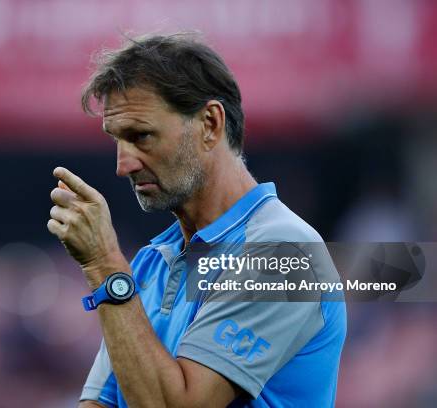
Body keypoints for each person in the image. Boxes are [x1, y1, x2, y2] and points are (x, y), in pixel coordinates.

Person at [47, 33, 346, 408]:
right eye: (117, 140)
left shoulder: (283, 252)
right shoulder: (152, 262)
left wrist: (105, 266)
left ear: (209, 123)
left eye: (142, 136)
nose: (123, 165)